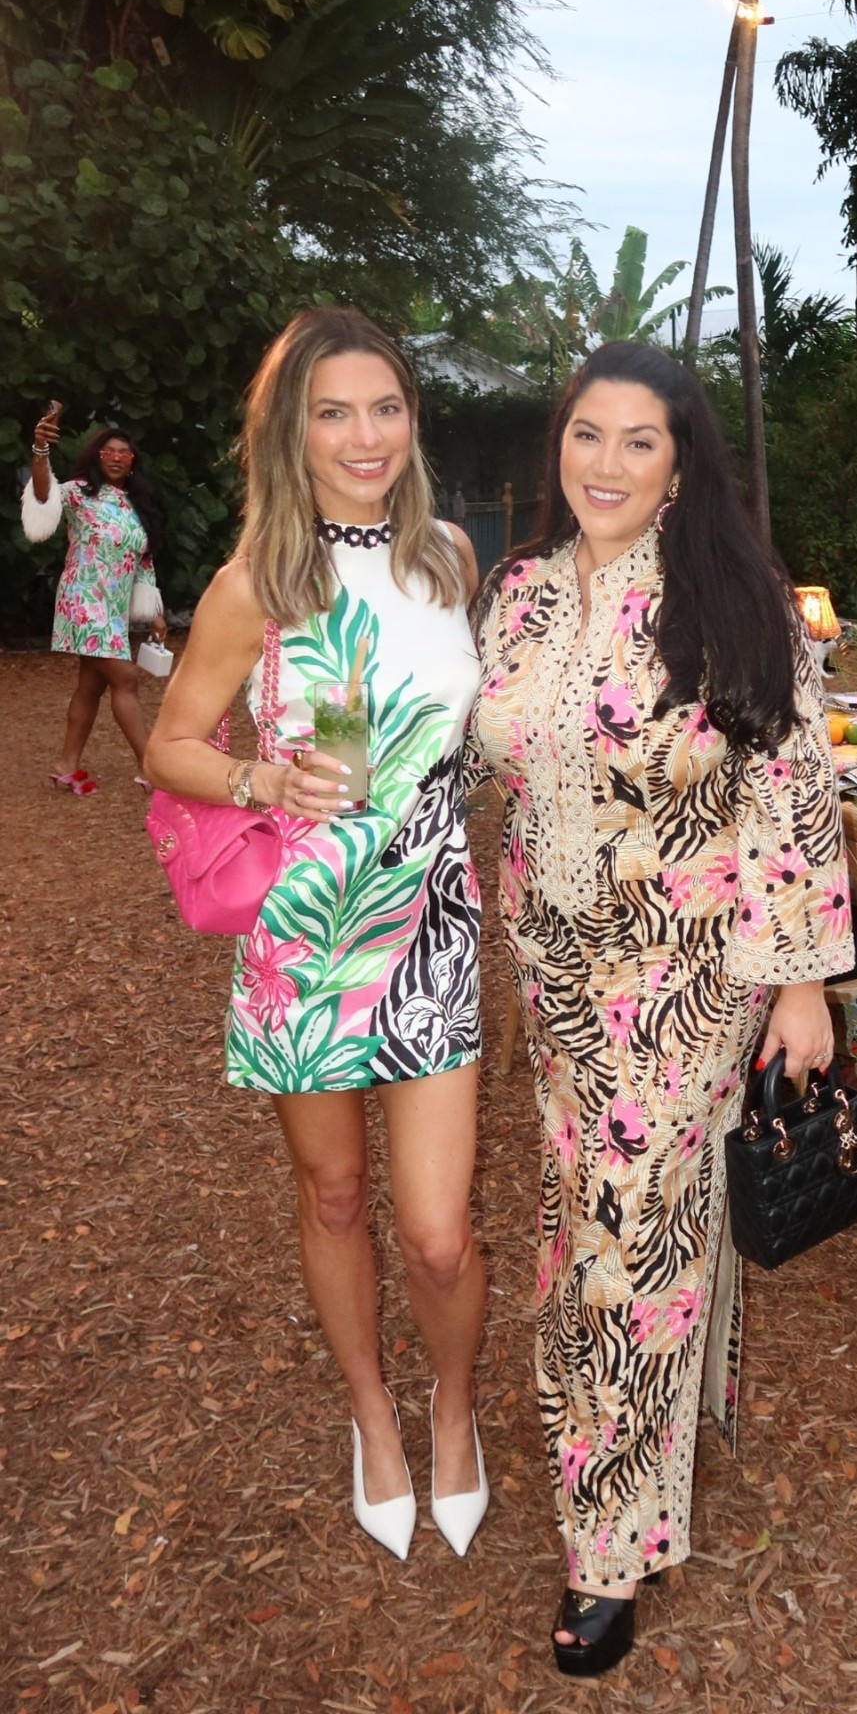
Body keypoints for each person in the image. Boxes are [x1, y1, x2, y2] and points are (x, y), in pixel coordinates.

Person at [471, 340, 852, 1678]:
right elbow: (486, 761)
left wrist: (800, 982)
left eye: (641, 440)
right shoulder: (518, 595)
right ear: (559, 444)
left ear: (681, 464)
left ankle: (611, 1543)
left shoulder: (734, 602)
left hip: (684, 982)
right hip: (556, 976)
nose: (608, 462)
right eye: (588, 433)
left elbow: (792, 791)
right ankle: (646, 1413)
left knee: (624, 1243)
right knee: (594, 1219)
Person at [145, 307, 487, 1566]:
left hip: (432, 918)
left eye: (385, 407)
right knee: (334, 1191)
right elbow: (170, 742)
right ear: (291, 430)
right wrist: (262, 781)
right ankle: (373, 1413)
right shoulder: (258, 584)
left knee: (439, 1229)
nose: (364, 435)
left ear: (412, 419)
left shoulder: (450, 557)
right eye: (333, 411)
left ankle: (454, 1406)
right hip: (309, 931)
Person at [22, 416, 168, 792]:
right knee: (126, 677)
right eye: (109, 451)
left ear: (133, 461)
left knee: (91, 686)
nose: (116, 458)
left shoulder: (136, 506)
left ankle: (66, 765)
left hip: (113, 609)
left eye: (124, 453)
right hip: (83, 600)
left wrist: (154, 613)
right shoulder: (78, 493)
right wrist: (41, 449)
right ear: (96, 456)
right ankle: (151, 767)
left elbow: (143, 561)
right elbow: (43, 494)